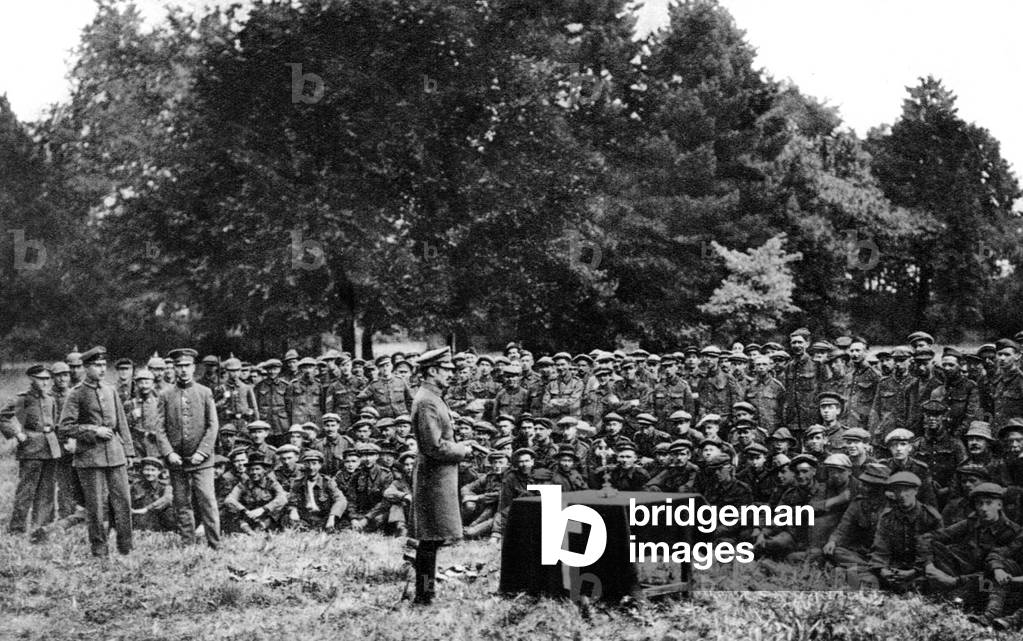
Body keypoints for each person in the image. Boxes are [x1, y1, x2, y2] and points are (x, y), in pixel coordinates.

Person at [410, 347, 474, 605]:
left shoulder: (432, 397)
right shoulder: (427, 400)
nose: (451, 374)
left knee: (432, 539)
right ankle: (423, 595)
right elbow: (433, 446)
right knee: (429, 539)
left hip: (438, 477)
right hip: (433, 479)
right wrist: (462, 449)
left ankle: (426, 592)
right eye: (447, 370)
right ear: (432, 371)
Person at [58, 346, 136, 557]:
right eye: (97, 365)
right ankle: (99, 549)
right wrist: (94, 430)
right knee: (95, 506)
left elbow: (122, 423)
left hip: (115, 454)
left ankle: (125, 547)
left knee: (123, 502)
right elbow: (65, 427)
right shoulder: (77, 394)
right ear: (86, 367)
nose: (102, 369)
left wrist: (128, 451)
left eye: (103, 365)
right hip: (90, 457)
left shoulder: (110, 390)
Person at [154, 347, 221, 549]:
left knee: (207, 500)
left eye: (187, 366)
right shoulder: (165, 395)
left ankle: (215, 544)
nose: (183, 370)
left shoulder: (204, 392)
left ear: (194, 367)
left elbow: (213, 425)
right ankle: (187, 543)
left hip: (202, 459)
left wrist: (202, 452)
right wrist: (169, 453)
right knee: (181, 502)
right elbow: (159, 428)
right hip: (177, 460)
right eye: (179, 366)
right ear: (173, 368)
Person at [1, 365, 62, 534]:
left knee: (47, 489)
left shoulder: (51, 399)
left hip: (50, 448)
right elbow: (3, 416)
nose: (45, 382)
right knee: (26, 490)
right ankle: (17, 528)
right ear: (32, 379)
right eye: (41, 379)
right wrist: (17, 433)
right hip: (31, 450)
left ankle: (41, 527)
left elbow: (54, 423)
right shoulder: (23, 399)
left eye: (47, 379)